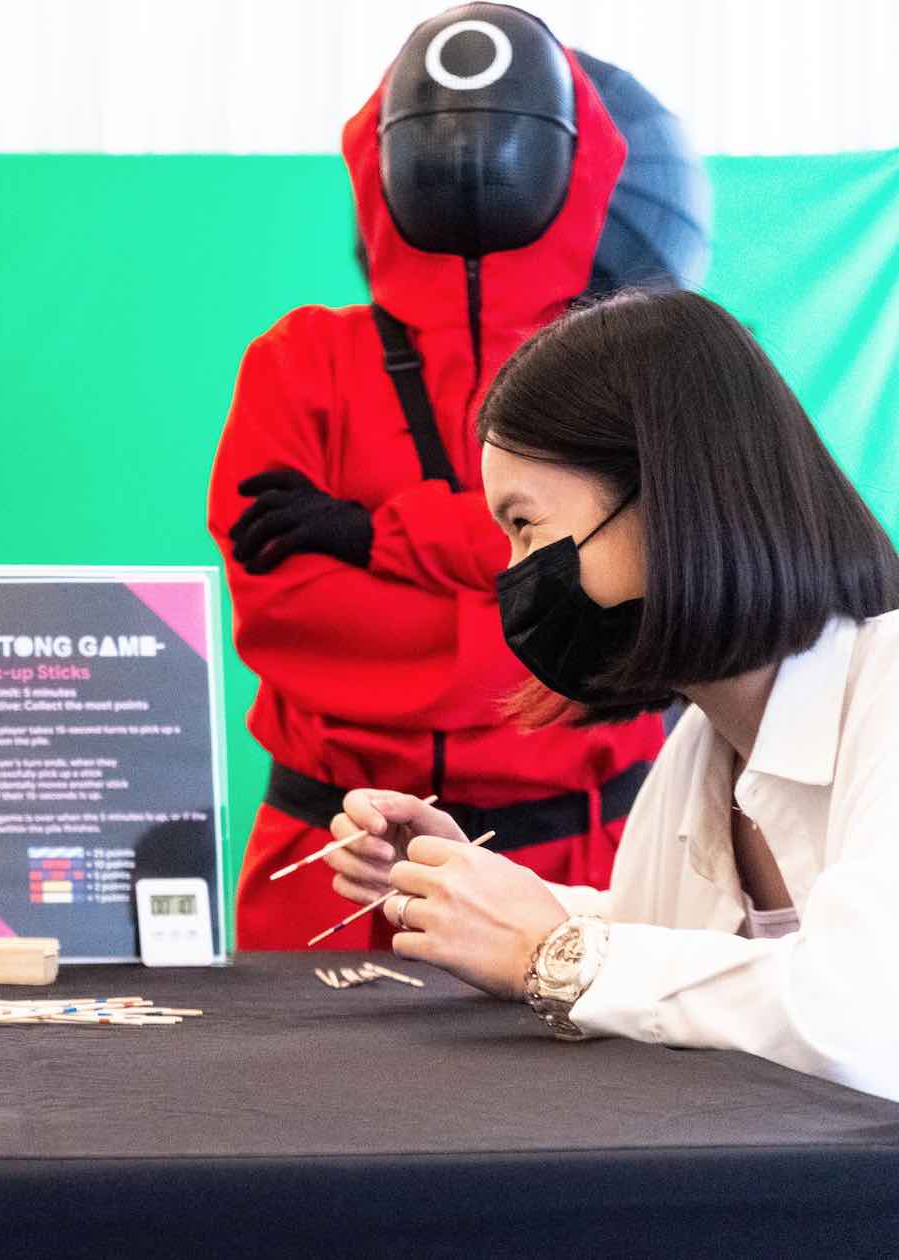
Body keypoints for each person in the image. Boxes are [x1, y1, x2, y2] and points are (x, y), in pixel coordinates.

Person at [322, 288, 899, 1100]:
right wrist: (465, 893)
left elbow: (867, 1019)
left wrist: (551, 954)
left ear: (667, 497)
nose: (514, 573)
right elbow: (669, 952)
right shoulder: (705, 745)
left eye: (525, 525)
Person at [208, 3, 664, 950]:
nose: (470, 157)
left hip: (590, 870)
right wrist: (539, 621)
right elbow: (291, 620)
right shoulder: (296, 362)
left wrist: (375, 537)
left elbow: (642, 604)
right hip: (328, 868)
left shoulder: (630, 369)